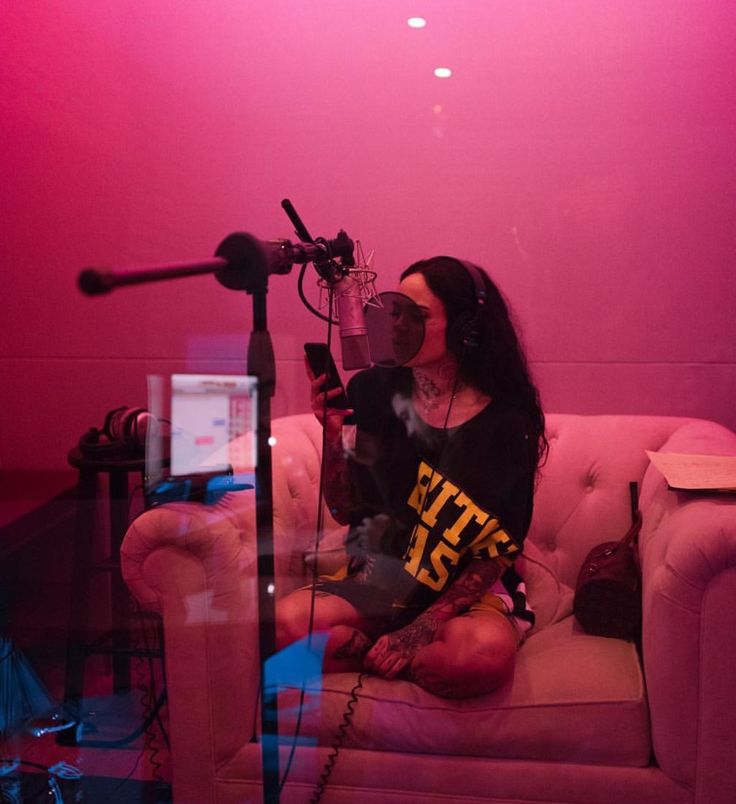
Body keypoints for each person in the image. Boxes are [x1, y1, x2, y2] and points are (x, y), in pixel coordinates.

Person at [277, 256, 548, 698]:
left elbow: (497, 552)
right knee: (288, 626)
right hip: (380, 578)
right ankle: (383, 655)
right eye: (396, 311)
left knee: (478, 658)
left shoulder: (506, 421)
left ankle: (386, 652)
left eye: (418, 316)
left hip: (464, 592)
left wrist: (421, 627)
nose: (398, 326)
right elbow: (344, 509)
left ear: (466, 330)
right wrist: (333, 437)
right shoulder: (371, 392)